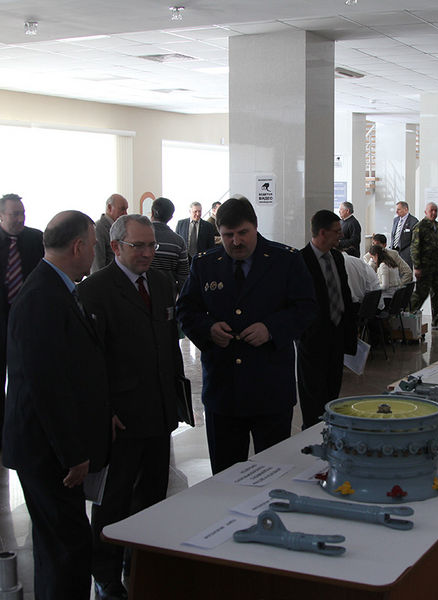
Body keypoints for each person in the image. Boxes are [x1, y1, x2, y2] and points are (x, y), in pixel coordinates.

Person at [2, 211, 111, 600]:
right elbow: (47, 386)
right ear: (78, 247)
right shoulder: (41, 298)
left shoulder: (57, 289)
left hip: (53, 447)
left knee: (62, 545)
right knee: (66, 551)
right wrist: (73, 454)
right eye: (93, 245)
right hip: (47, 452)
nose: (95, 252)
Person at [78, 214, 184, 600]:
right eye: (138, 246)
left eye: (151, 245)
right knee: (114, 499)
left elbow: (168, 344)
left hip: (159, 410)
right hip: (120, 418)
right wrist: (103, 410)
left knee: (153, 493)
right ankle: (105, 573)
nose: (147, 253)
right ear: (115, 247)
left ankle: (139, 562)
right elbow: (89, 362)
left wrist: (175, 399)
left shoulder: (161, 282)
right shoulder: (95, 290)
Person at [177, 197, 316, 474]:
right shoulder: (205, 264)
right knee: (225, 476)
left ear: (255, 226)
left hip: (270, 388)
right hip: (223, 389)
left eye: (243, 233)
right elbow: (186, 310)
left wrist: (271, 329)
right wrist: (208, 329)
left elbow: (306, 307)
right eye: (228, 235)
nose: (236, 241)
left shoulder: (285, 260)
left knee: (274, 472)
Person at [298, 210, 357, 429]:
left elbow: (344, 294)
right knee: (313, 398)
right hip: (312, 341)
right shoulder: (300, 260)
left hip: (336, 337)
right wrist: (304, 334)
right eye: (337, 231)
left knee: (332, 393)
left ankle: (331, 432)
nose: (340, 235)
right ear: (322, 233)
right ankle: (312, 435)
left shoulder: (337, 258)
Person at [0, 193, 44, 445]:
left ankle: (28, 430)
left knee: (28, 378)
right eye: (14, 214)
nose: (20, 219)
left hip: (29, 322)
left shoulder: (36, 239)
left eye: (22, 213)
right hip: (2, 319)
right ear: (1, 216)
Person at [410, 202, 438, 331]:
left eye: (436, 210)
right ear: (426, 212)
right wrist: (417, 267)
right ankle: (407, 314)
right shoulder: (420, 227)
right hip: (424, 268)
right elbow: (415, 248)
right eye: (431, 210)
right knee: (421, 294)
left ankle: (437, 321)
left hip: (437, 268)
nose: (434, 213)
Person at [150, 196, 189, 294]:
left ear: (152, 212)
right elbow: (183, 277)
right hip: (167, 294)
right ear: (171, 217)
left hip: (140, 294)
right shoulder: (179, 242)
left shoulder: (138, 236)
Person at [91, 193, 128, 273]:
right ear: (109, 208)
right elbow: (97, 265)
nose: (125, 213)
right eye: (122, 209)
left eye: (126, 209)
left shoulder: (120, 228)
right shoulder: (99, 229)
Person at [342, 250, 384, 315]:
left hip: (370, 308)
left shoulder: (347, 262)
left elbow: (355, 296)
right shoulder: (361, 263)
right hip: (375, 304)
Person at [390, 201, 419, 267]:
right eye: (396, 209)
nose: (396, 212)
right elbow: (393, 235)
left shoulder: (414, 221)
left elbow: (415, 240)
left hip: (406, 255)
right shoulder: (396, 220)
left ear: (406, 209)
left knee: (405, 272)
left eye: (399, 209)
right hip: (394, 253)